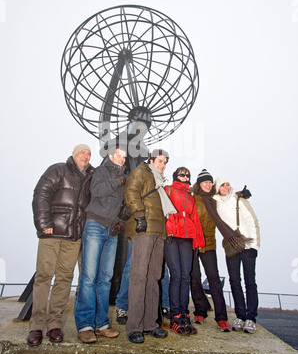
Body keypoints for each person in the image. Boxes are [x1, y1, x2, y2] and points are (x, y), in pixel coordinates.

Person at [27, 144, 94, 347]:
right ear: (74, 155)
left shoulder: (91, 177)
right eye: (82, 152)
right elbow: (41, 194)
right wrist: (43, 223)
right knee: (44, 276)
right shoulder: (58, 169)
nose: (86, 155)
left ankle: (54, 324)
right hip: (52, 232)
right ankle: (36, 326)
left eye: (89, 153)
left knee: (64, 278)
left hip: (73, 236)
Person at [74, 145, 127, 344]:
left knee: (105, 278)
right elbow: (96, 190)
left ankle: (101, 324)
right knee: (89, 276)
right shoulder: (101, 171)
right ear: (111, 155)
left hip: (111, 229)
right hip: (95, 225)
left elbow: (122, 205)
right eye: (120, 156)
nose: (123, 159)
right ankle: (85, 325)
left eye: (124, 157)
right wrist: (118, 181)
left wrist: (120, 221)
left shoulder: (125, 176)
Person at [124, 149, 176, 343]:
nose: (162, 165)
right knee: (139, 276)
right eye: (160, 161)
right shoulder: (141, 171)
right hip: (143, 229)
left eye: (164, 163)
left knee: (154, 277)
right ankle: (134, 327)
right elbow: (131, 192)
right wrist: (139, 215)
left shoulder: (159, 181)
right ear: (151, 160)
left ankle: (150, 324)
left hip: (158, 232)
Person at [214, 177, 260, 333]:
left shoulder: (239, 200)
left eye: (228, 184)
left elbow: (253, 221)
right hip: (231, 246)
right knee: (234, 281)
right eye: (222, 185)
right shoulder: (216, 203)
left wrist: (254, 246)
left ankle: (251, 318)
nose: (226, 187)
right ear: (217, 188)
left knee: (250, 282)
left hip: (247, 244)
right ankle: (240, 315)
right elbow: (202, 194)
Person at [164, 167, 205, 335]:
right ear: (176, 176)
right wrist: (168, 229)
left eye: (187, 175)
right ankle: (175, 314)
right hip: (172, 236)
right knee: (176, 274)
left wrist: (198, 241)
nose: (185, 176)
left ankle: (184, 313)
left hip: (188, 236)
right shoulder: (168, 190)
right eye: (181, 174)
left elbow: (195, 217)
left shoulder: (190, 196)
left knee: (186, 276)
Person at [190, 169, 231, 332]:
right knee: (194, 277)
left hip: (209, 244)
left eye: (210, 182)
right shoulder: (193, 199)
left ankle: (221, 318)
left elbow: (229, 197)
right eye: (205, 182)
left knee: (213, 278)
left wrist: (240, 194)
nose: (208, 185)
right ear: (199, 184)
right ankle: (200, 311)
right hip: (193, 243)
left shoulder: (215, 200)